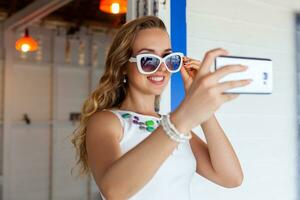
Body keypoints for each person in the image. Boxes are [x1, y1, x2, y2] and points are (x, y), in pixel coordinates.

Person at [71, 15, 251, 200]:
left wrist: (202, 106)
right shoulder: (107, 121)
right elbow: (114, 191)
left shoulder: (172, 125)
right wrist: (184, 116)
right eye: (148, 60)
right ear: (124, 65)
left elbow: (231, 178)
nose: (162, 68)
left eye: (168, 58)